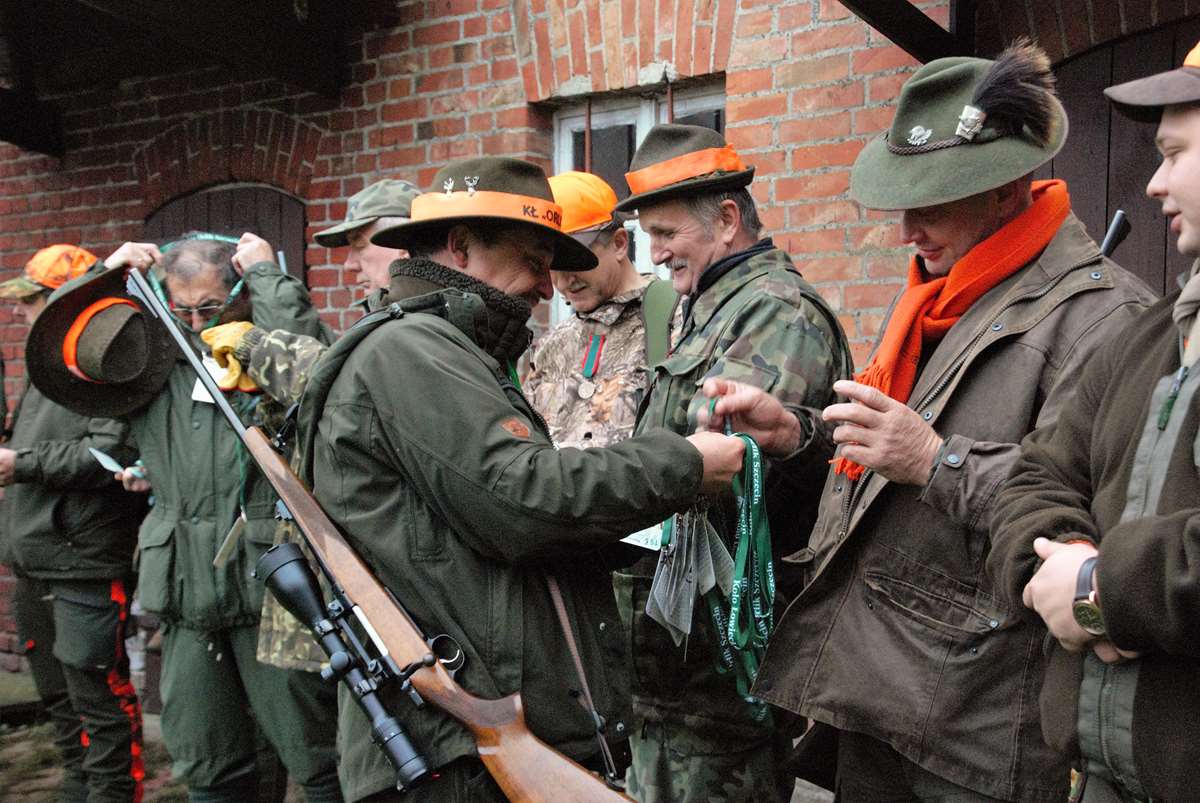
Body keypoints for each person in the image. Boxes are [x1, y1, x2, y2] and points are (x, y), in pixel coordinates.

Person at [700, 40, 1156, 802]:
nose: (906, 230)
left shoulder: (1106, 319)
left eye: (932, 204)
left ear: (1006, 191)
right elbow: (886, 464)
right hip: (878, 700)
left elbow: (1092, 515)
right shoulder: (937, 295)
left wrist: (935, 459)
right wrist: (801, 436)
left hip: (978, 737)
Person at [291, 155, 747, 803]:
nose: (545, 286)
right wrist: (687, 463)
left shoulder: (453, 351)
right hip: (458, 754)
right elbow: (523, 500)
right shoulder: (412, 352)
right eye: (533, 261)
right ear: (461, 246)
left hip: (481, 736)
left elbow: (491, 528)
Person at [25, 232, 342, 803]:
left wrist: (267, 275)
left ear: (240, 296)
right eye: (182, 308)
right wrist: (105, 273)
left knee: (315, 754)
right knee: (206, 759)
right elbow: (58, 343)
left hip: (268, 590)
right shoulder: (147, 368)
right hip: (186, 592)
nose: (195, 321)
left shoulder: (261, 354)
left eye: (209, 307)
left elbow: (314, 369)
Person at [611, 123, 853, 803]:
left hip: (719, 675)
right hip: (679, 673)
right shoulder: (714, 306)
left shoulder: (777, 313)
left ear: (725, 219)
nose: (655, 254)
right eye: (648, 236)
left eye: (666, 233)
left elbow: (738, 489)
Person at [989, 39, 1200, 803]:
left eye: (1174, 154)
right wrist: (1064, 562)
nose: (1153, 182)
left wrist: (1102, 589)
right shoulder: (1148, 337)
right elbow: (1034, 478)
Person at [0, 244, 147, 803]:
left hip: (84, 561)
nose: (21, 311)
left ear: (64, 299)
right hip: (34, 558)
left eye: (31, 299)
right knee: (58, 698)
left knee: (99, 697)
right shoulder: (45, 363)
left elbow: (109, 454)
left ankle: (112, 794)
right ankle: (75, 788)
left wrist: (20, 464)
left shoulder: (105, 359)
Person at [524, 170, 677, 448]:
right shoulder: (550, 346)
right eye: (551, 266)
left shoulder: (676, 319)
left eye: (576, 260)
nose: (564, 280)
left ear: (619, 243)